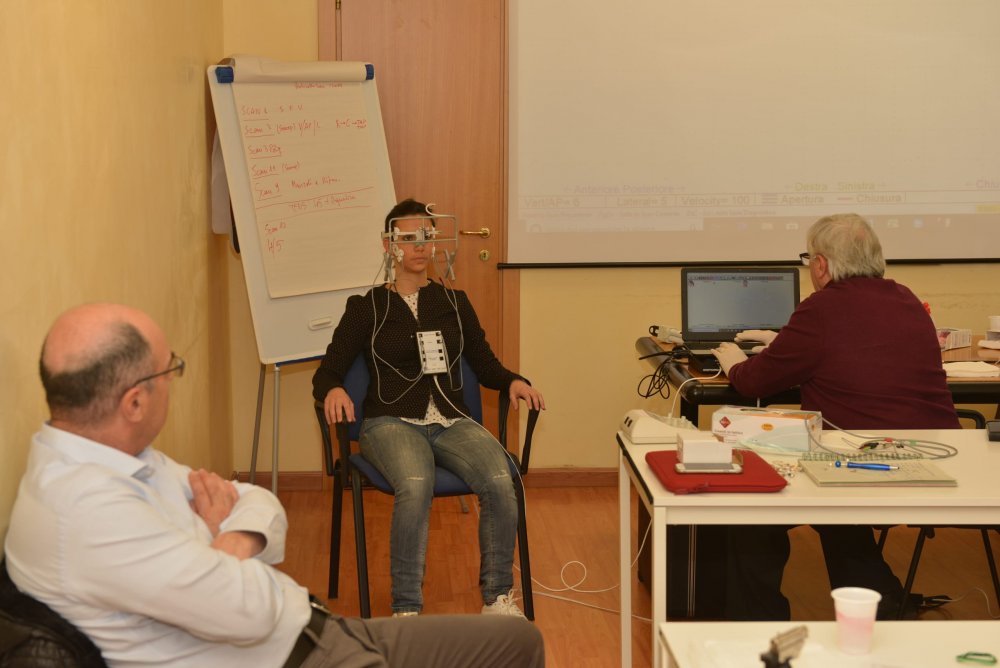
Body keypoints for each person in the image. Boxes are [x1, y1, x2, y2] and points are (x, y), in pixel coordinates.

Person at [4, 303, 545, 668]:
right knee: (509, 651)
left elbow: (258, 501)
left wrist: (226, 544)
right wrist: (224, 542)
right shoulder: (90, 513)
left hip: (317, 629)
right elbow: (253, 612)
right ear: (135, 402)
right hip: (301, 655)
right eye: (171, 369)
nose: (173, 380)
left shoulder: (112, 456)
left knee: (518, 639)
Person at [711, 213, 959, 621]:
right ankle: (884, 604)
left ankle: (758, 625)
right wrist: (786, 342)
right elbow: (852, 349)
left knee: (751, 508)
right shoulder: (906, 298)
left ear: (821, 264)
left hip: (864, 463)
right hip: (939, 458)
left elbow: (754, 382)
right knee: (835, 510)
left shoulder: (822, 308)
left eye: (809, 258)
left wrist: (735, 361)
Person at [312, 198, 545, 618]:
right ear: (389, 245)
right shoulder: (367, 308)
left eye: (426, 236)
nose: (419, 245)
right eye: (407, 238)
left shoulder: (454, 303)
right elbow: (328, 372)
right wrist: (333, 391)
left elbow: (484, 363)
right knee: (416, 483)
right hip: (389, 422)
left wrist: (513, 380)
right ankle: (406, 608)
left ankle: (496, 598)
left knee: (499, 479)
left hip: (450, 420)